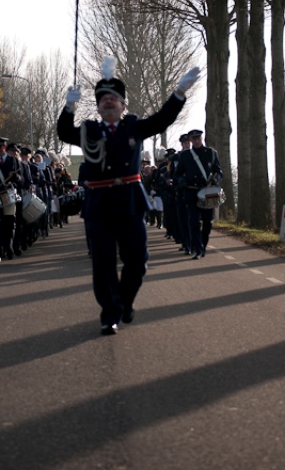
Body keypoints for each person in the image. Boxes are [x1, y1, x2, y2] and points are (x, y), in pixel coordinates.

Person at [57, 57, 200, 335]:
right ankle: (110, 313)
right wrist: (68, 107)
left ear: (123, 105)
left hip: (130, 202)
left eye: (113, 98)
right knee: (103, 263)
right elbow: (64, 131)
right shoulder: (89, 131)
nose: (108, 102)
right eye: (103, 99)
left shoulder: (134, 127)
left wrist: (179, 93)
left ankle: (124, 301)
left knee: (137, 260)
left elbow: (162, 118)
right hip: (99, 206)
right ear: (98, 107)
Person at [174, 129, 222, 260]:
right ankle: (198, 249)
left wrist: (215, 180)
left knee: (208, 222)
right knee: (194, 222)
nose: (196, 141)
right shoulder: (185, 156)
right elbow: (177, 174)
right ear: (190, 140)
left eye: (198, 138)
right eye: (194, 139)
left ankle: (203, 245)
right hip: (191, 191)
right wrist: (182, 182)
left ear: (201, 138)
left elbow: (218, 171)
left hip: (208, 191)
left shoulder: (211, 153)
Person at [173, 133, 192, 254]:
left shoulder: (196, 155)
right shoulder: (177, 157)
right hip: (181, 191)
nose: (187, 144)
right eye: (185, 143)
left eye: (188, 142)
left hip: (194, 190)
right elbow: (175, 174)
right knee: (184, 220)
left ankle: (194, 243)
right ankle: (186, 244)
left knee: (194, 220)